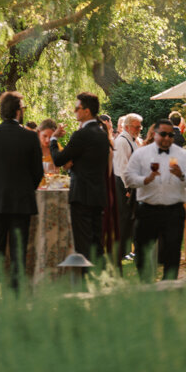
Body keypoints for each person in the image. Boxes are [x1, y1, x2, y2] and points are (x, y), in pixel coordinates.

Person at [0, 90, 44, 288]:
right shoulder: (30, 137)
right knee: (18, 250)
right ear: (18, 111)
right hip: (22, 200)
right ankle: (16, 292)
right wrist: (26, 188)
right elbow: (37, 172)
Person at [124, 120, 186, 280]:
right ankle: (146, 284)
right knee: (143, 251)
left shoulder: (183, 155)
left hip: (173, 210)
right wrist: (145, 179)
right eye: (163, 134)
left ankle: (169, 285)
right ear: (155, 134)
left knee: (172, 252)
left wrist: (182, 175)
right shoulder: (141, 154)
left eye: (170, 135)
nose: (167, 138)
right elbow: (129, 178)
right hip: (147, 209)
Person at [51, 92, 111, 262]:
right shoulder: (102, 134)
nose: (74, 111)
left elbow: (58, 159)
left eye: (77, 108)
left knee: (83, 244)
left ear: (86, 111)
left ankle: (86, 276)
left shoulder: (82, 134)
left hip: (82, 195)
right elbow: (90, 161)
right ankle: (99, 274)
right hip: (98, 194)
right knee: (96, 243)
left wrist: (54, 139)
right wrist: (75, 163)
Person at [111, 114, 142, 264]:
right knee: (124, 219)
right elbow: (122, 167)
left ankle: (127, 251)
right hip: (123, 184)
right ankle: (121, 252)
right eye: (137, 127)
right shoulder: (122, 141)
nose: (139, 129)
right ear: (128, 127)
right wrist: (128, 188)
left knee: (129, 218)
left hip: (129, 183)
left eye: (140, 126)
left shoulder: (131, 140)